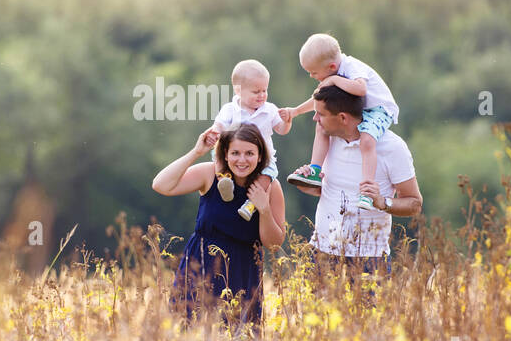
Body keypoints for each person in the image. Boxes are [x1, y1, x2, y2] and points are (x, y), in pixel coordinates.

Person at [152, 122, 286, 326]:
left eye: (249, 153)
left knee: (237, 340)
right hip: (200, 264)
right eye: (235, 153)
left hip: (243, 271)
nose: (242, 160)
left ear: (260, 156)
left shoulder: (270, 186)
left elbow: (275, 244)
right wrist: (196, 152)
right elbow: (161, 185)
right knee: (188, 332)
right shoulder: (210, 174)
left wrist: (264, 209)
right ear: (225, 153)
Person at [289, 83, 421, 276]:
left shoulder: (392, 147)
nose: (315, 118)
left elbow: (415, 204)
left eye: (321, 114)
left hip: (370, 260)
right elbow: (327, 191)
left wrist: (382, 202)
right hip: (321, 253)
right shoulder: (328, 140)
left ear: (342, 117)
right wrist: (308, 184)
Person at [281, 33, 400, 211]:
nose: (312, 76)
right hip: (358, 109)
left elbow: (361, 89)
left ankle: (367, 191)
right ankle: (315, 170)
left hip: (378, 110)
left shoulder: (351, 67)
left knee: (367, 140)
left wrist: (335, 80)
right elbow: (319, 99)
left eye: (313, 72)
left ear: (331, 66)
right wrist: (296, 111)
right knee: (321, 125)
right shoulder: (333, 73)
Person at [207, 59, 292, 221]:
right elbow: (219, 124)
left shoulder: (269, 110)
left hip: (262, 157)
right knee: (217, 156)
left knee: (267, 175)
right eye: (256, 92)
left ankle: (251, 204)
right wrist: (214, 132)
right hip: (233, 153)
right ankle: (224, 182)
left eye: (264, 90)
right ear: (238, 91)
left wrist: (287, 121)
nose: (261, 95)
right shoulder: (230, 109)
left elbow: (281, 130)